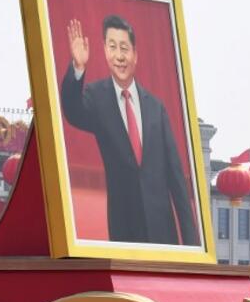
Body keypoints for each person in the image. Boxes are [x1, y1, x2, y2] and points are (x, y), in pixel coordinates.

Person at [59, 15, 200, 246]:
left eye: (124, 48)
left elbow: (176, 178)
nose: (119, 56)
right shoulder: (97, 97)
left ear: (135, 54)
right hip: (125, 229)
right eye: (112, 47)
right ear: (105, 51)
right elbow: (73, 111)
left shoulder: (156, 107)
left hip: (162, 231)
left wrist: (193, 244)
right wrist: (78, 67)